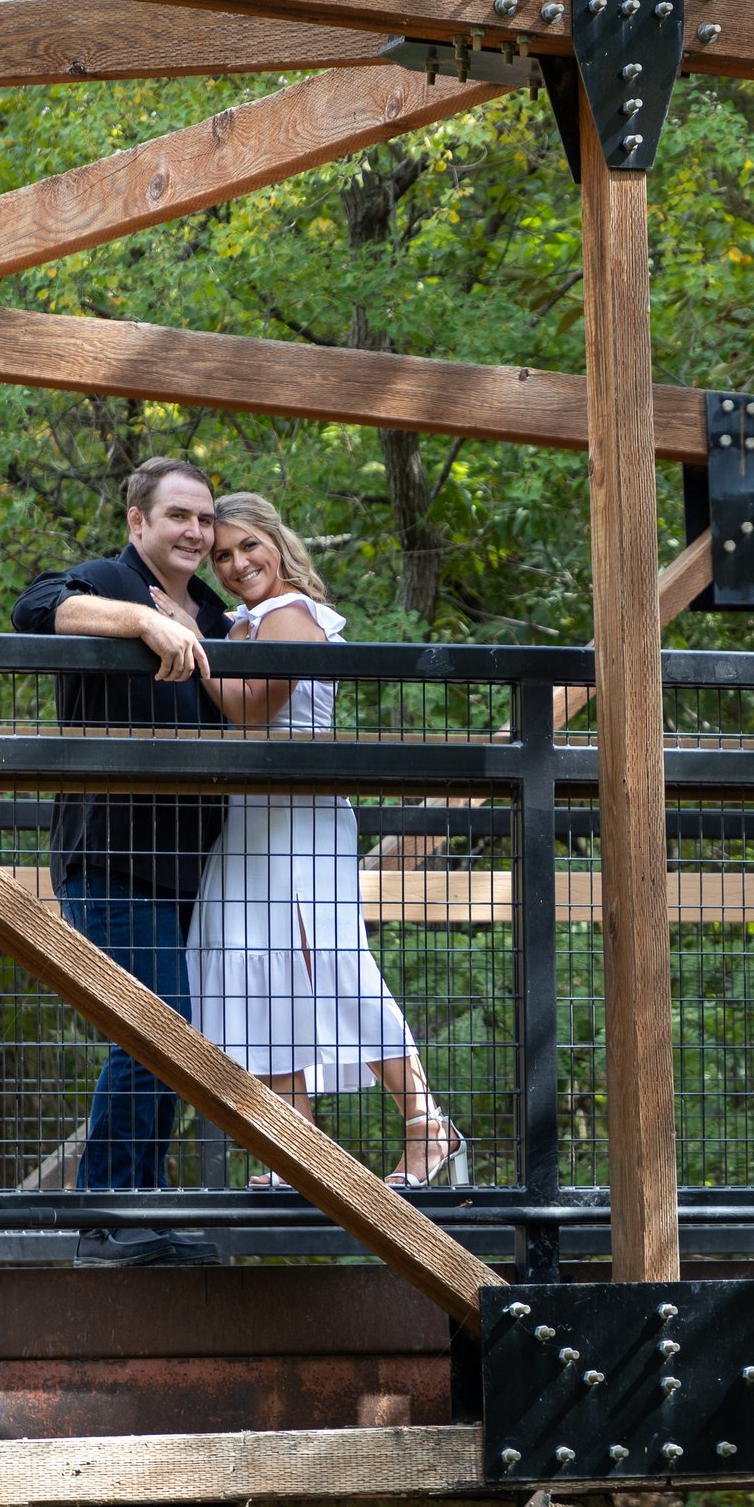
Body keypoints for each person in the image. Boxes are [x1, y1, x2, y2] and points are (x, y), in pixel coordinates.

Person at [161, 492, 469, 1189]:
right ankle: (293, 1145)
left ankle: (427, 1124)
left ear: (277, 539)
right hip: (250, 820)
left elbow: (251, 710)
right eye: (223, 555)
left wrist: (190, 634)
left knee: (328, 961)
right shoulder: (246, 622)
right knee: (262, 969)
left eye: (248, 546)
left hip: (299, 815)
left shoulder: (290, 615)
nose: (237, 564)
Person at [12, 456, 231, 1267]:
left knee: (172, 1035)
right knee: (153, 1027)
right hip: (110, 855)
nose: (197, 533)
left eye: (205, 519)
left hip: (186, 869)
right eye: (179, 516)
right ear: (138, 521)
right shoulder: (110, 582)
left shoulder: (210, 609)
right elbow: (35, 606)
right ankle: (105, 1218)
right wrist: (140, 621)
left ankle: (143, 1205)